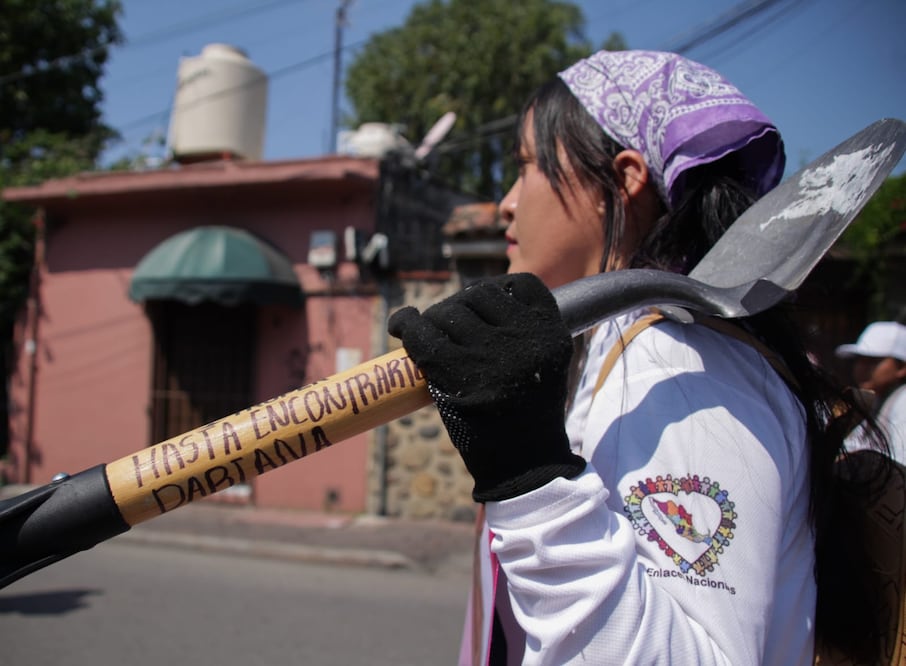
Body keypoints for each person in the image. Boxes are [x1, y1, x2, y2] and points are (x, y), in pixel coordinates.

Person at [389, 50, 886, 665]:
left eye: (526, 167)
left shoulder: (675, 365)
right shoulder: (631, 349)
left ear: (624, 178)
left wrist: (532, 484)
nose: (507, 203)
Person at [836, 321, 906, 462]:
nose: (861, 368)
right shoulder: (873, 401)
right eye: (859, 360)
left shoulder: (903, 401)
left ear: (901, 368)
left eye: (873, 361)